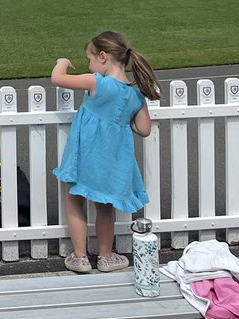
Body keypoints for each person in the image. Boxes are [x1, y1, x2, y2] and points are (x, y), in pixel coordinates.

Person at [51, 31, 162, 274]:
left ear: (103, 57)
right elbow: (144, 128)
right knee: (105, 206)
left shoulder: (96, 83)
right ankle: (105, 255)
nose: (89, 65)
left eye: (89, 58)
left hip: (86, 153)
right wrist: (123, 120)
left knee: (74, 199)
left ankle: (80, 257)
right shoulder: (135, 93)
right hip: (112, 159)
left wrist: (62, 62)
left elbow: (58, 78)